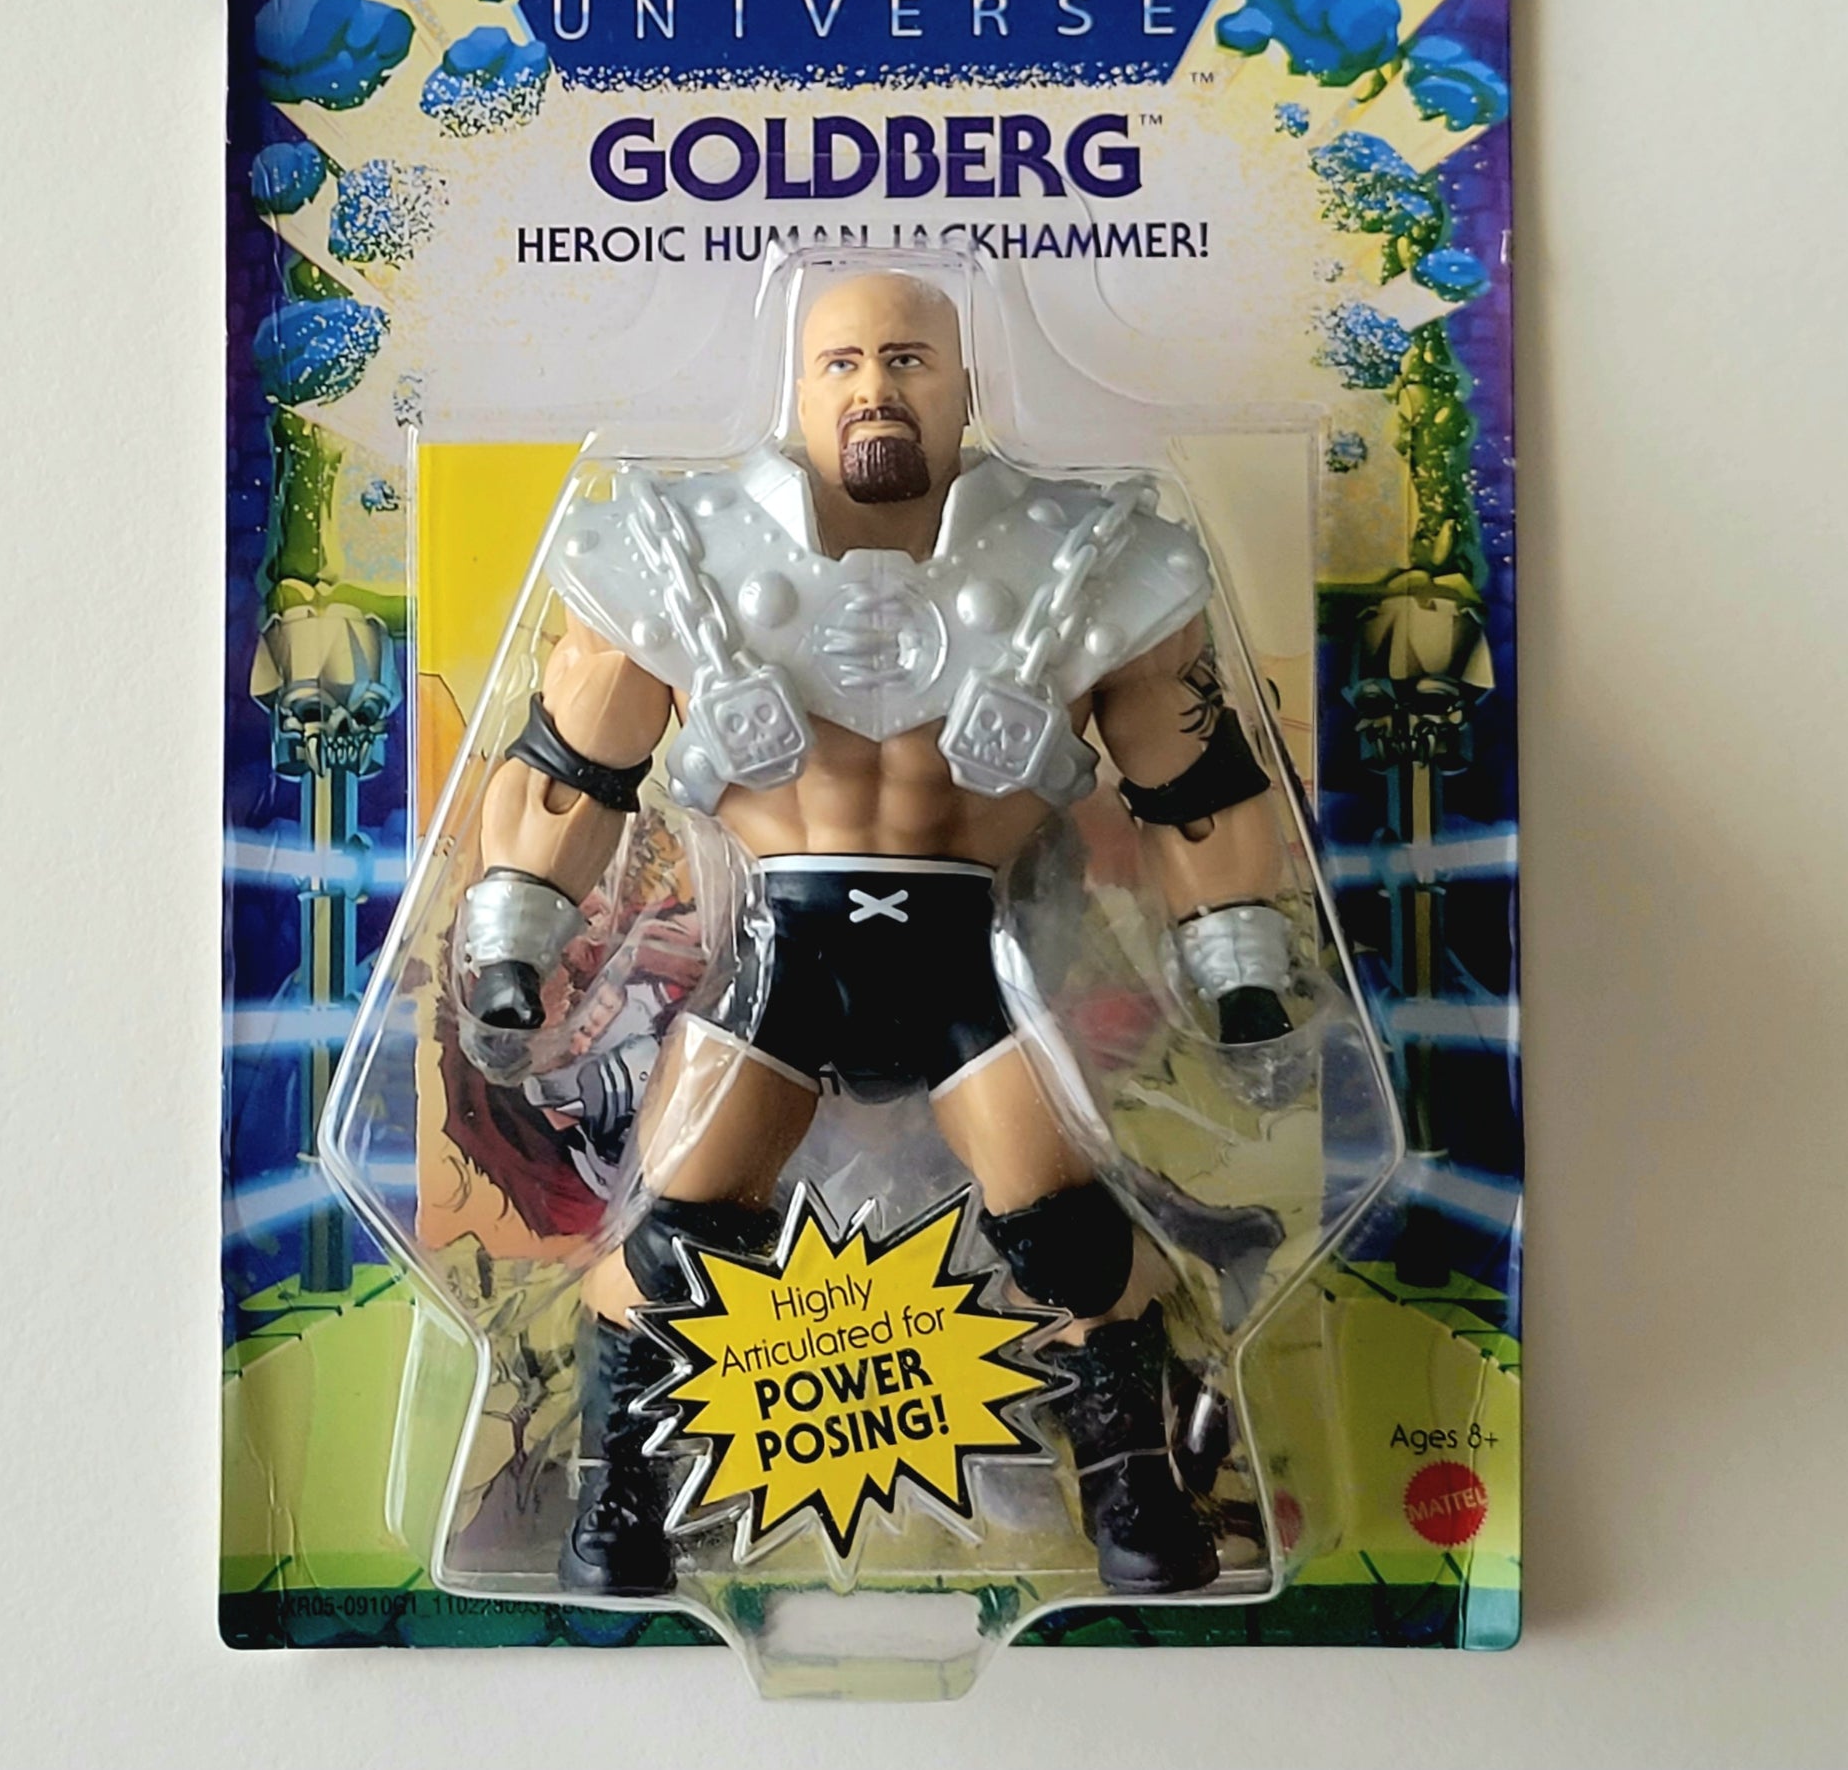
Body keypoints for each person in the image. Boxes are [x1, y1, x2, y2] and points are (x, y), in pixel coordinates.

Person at [457, 270, 1299, 1596]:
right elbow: (570, 772)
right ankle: (618, 1499)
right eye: (841, 362)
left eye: (907, 358)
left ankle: (1136, 1490)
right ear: (795, 388)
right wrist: (513, 933)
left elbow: (1192, 788)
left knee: (1072, 1242)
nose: (874, 388)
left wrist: (1234, 956)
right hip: (782, 960)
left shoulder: (1090, 558)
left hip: (967, 960)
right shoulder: (681, 551)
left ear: (966, 382)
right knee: (675, 1240)